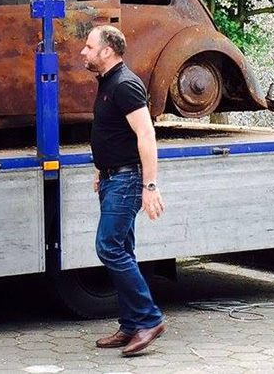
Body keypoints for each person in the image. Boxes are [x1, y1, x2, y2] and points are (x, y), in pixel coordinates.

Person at [80, 25, 167, 357]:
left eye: (89, 47)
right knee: (122, 250)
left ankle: (149, 319)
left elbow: (146, 135)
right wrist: (100, 169)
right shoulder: (108, 82)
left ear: (107, 51)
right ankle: (131, 324)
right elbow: (113, 133)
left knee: (109, 247)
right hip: (112, 177)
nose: (83, 52)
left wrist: (150, 185)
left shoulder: (125, 84)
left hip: (127, 180)